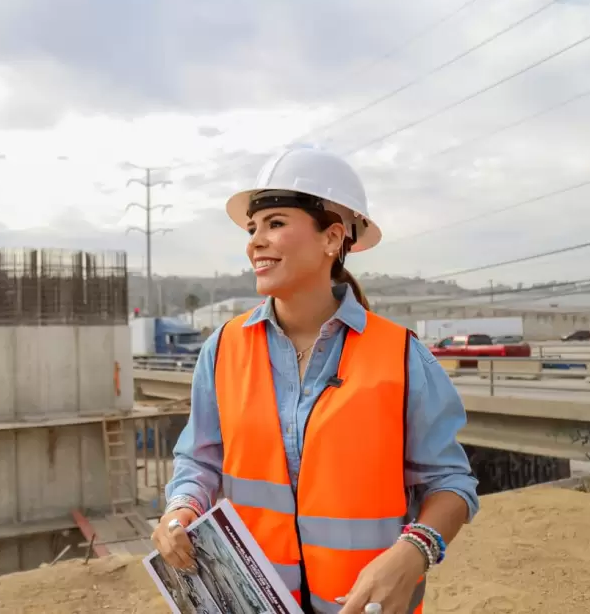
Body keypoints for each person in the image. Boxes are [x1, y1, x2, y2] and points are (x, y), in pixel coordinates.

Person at [151, 147, 480, 614]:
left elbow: (451, 483)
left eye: (276, 223)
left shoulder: (402, 356)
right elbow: (201, 460)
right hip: (254, 602)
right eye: (253, 229)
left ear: (332, 238)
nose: (255, 242)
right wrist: (180, 507)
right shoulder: (222, 349)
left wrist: (414, 552)